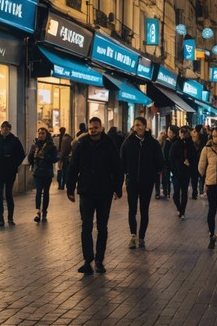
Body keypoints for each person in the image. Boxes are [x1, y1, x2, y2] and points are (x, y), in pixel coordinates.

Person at [67, 116, 124, 274]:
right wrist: (70, 188)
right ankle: (87, 260)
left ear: (102, 128)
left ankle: (99, 260)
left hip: (104, 191)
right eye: (91, 128)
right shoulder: (81, 145)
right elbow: (73, 168)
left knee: (102, 227)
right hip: (86, 191)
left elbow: (117, 168)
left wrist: (117, 189)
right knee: (86, 226)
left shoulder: (109, 145)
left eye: (96, 128)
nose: (93, 131)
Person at [121, 117, 163, 249]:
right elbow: (122, 161)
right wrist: (126, 174)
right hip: (132, 181)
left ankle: (142, 237)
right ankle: (133, 236)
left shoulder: (153, 143)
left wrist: (153, 174)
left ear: (145, 126)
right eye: (134, 125)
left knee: (144, 210)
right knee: (132, 209)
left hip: (146, 182)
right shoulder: (128, 142)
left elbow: (160, 162)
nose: (136, 128)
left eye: (139, 125)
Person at [0, 121, 25, 226]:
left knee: (8, 194)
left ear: (9, 129)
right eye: (3, 128)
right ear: (1, 128)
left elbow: (21, 155)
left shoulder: (14, 140)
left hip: (10, 171)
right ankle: (1, 219)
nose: (4, 130)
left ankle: (10, 218)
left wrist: (14, 163)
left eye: (7, 128)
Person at [27, 127, 58, 223]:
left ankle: (44, 210)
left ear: (46, 134)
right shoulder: (35, 145)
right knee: (38, 192)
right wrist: (33, 154)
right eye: (39, 133)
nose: (40, 135)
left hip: (47, 173)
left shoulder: (51, 146)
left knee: (46, 193)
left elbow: (55, 158)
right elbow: (29, 159)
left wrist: (45, 156)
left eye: (43, 133)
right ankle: (37, 211)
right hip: (37, 172)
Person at [170, 126, 197, 219]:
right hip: (177, 173)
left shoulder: (190, 144)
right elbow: (171, 158)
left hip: (186, 172)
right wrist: (173, 170)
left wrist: (190, 163)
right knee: (176, 193)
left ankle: (182, 211)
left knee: (184, 193)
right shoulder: (176, 144)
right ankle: (179, 207)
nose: (183, 134)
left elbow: (194, 156)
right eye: (182, 132)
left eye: (185, 132)